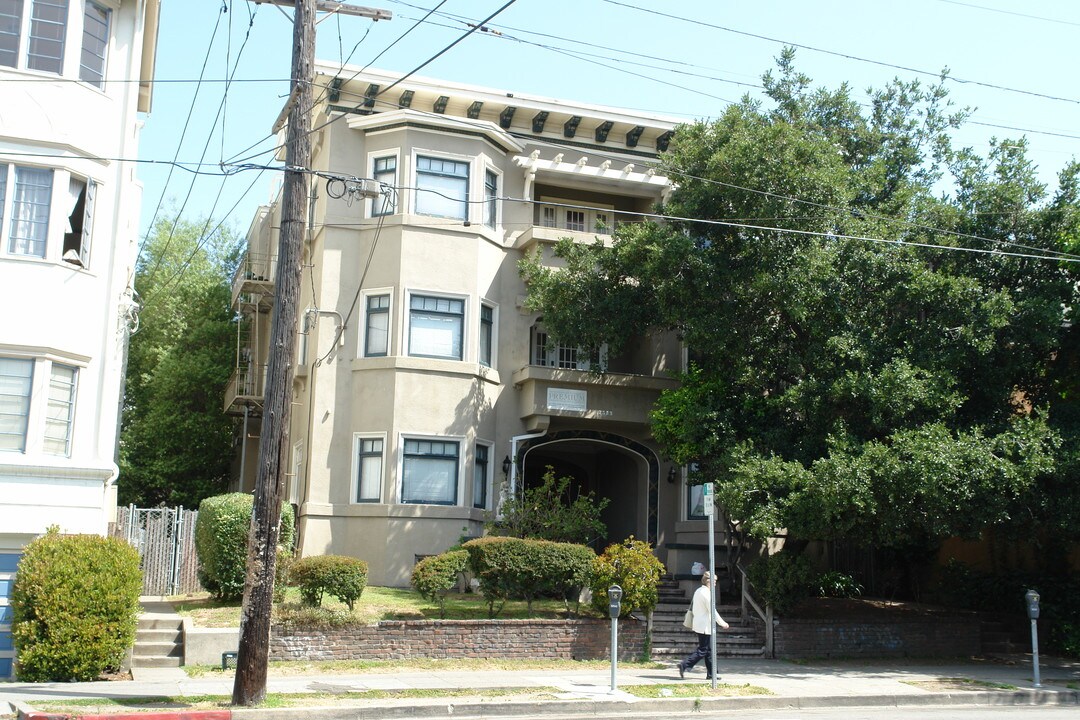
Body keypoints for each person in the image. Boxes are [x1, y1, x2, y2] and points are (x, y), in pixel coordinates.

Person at [677, 571, 729, 680]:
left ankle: (712, 673)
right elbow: (712, 611)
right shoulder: (706, 594)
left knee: (709, 650)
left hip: (700, 624)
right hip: (705, 626)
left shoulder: (698, 591)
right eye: (714, 581)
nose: (715, 583)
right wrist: (722, 623)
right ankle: (685, 664)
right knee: (703, 650)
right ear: (708, 581)